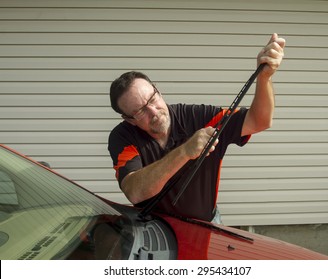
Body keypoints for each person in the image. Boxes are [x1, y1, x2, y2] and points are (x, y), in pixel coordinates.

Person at [108, 33, 285, 223]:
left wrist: (264, 78)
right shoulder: (123, 136)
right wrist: (184, 151)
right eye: (141, 110)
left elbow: (259, 121)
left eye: (153, 98)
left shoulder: (197, 117)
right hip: (156, 232)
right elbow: (134, 192)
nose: (154, 111)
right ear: (129, 119)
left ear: (159, 90)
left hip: (206, 224)